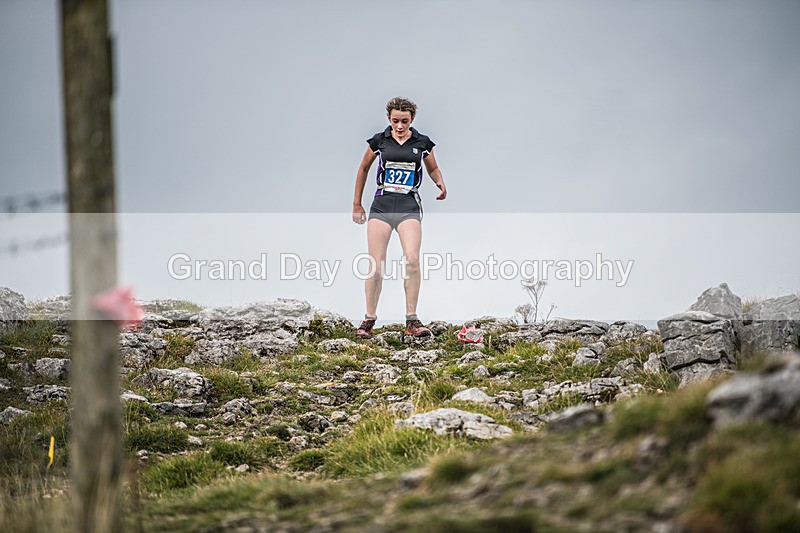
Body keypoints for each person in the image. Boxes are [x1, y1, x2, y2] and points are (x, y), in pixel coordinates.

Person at [352, 97, 447, 338]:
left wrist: (439, 182)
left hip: (408, 206)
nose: (400, 126)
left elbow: (432, 167)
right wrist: (357, 204)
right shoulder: (379, 140)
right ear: (389, 119)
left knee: (412, 259)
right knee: (375, 265)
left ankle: (412, 320)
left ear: (412, 119)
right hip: (382, 206)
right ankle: (369, 320)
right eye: (395, 121)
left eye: (404, 121)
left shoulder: (422, 142)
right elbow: (363, 169)